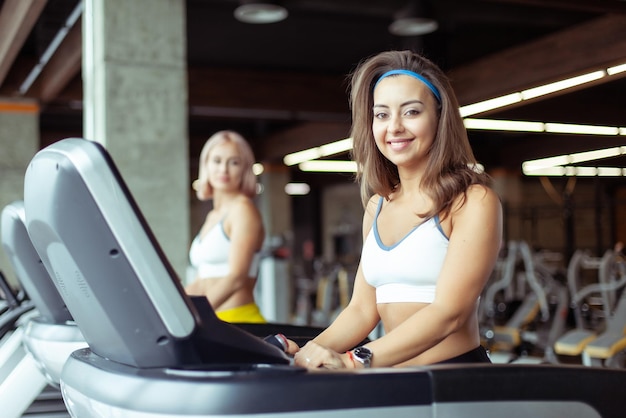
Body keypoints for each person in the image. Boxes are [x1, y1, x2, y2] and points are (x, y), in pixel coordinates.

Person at [286, 50, 503, 368]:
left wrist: (354, 361)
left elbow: (448, 313)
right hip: (391, 378)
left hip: (453, 379)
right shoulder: (377, 206)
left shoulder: (472, 201)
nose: (395, 127)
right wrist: (306, 353)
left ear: (440, 117)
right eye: (382, 114)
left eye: (411, 112)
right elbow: (362, 309)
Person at [186, 130, 267, 323]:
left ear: (244, 169)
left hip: (238, 320)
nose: (223, 169)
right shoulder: (213, 216)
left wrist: (192, 316)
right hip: (213, 319)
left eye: (234, 162)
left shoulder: (243, 210)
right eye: (216, 161)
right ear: (206, 165)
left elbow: (237, 277)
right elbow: (202, 279)